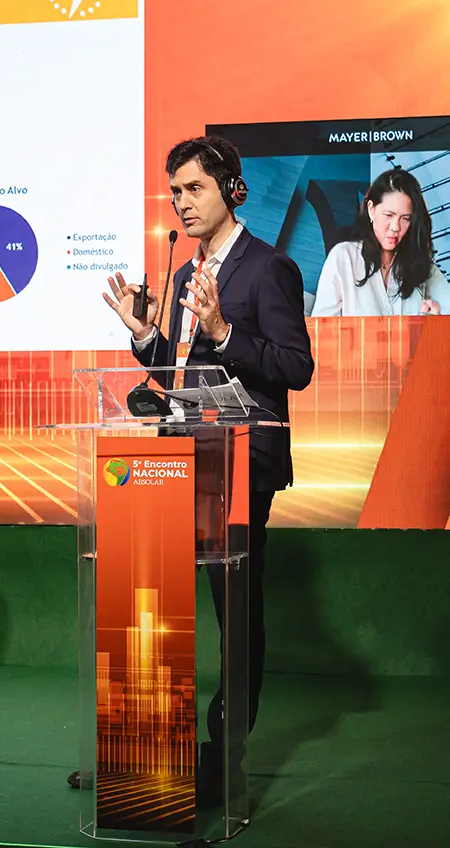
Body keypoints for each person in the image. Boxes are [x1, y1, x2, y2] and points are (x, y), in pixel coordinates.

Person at [68, 136, 314, 804]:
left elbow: (296, 367)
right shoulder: (183, 275)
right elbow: (177, 378)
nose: (181, 202)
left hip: (242, 464)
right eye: (175, 191)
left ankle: (222, 760)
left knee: (234, 611)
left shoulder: (270, 268)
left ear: (231, 189)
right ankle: (143, 749)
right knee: (150, 600)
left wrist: (226, 332)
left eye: (194, 188)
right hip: (177, 459)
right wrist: (144, 335)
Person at [311, 168, 450, 316]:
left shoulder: (421, 265)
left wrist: (433, 324)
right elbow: (322, 326)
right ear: (371, 209)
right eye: (388, 215)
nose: (395, 227)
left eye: (405, 219)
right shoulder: (344, 257)